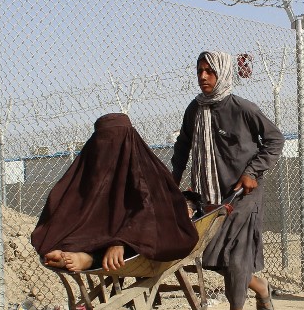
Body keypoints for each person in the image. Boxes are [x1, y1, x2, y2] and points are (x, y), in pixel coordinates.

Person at [171, 51, 284, 310]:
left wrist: (253, 172)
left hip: (244, 193)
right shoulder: (194, 110)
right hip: (209, 196)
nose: (204, 77)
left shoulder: (242, 108)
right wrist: (172, 183)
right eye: (200, 71)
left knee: (235, 255)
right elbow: (183, 147)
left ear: (222, 73)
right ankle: (259, 287)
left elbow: (274, 140)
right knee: (213, 257)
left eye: (210, 71)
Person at [32, 112, 198, 272]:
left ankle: (89, 259)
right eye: (103, 141)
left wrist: (121, 242)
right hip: (103, 236)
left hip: (137, 238)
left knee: (154, 237)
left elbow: (154, 213)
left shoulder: (148, 171)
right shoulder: (89, 173)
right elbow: (68, 209)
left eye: (116, 141)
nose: (109, 149)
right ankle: (73, 253)